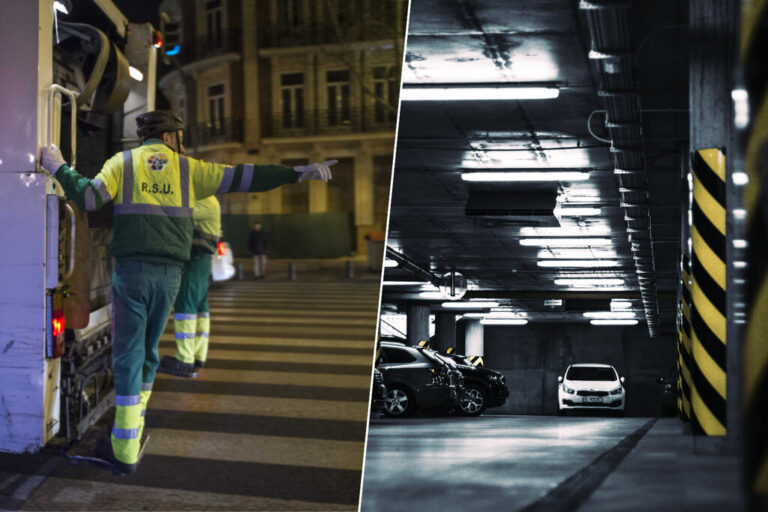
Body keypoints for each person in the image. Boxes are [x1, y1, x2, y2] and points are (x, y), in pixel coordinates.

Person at [40, 110, 335, 475]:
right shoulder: (191, 170)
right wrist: (295, 173)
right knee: (147, 352)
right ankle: (136, 423)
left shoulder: (123, 162)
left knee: (128, 356)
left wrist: (58, 168)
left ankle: (124, 448)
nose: (182, 143)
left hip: (132, 275)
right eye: (180, 137)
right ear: (169, 137)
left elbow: (87, 198)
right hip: (170, 277)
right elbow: (247, 176)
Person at [157, 194, 221, 378]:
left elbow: (178, 214)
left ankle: (184, 359)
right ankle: (198, 355)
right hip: (200, 262)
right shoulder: (208, 199)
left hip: (194, 260)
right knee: (200, 309)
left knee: (185, 307)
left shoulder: (205, 200)